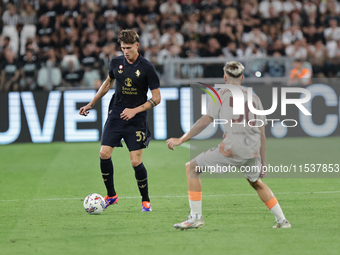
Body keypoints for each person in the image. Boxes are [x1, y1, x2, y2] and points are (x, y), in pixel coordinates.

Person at [167, 61, 291, 230]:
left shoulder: (221, 93)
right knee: (256, 181)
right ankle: (282, 221)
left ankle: (195, 217)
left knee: (192, 168)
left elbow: (206, 121)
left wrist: (181, 139)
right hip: (252, 148)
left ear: (225, 77)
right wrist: (264, 162)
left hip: (233, 148)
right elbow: (262, 133)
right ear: (242, 77)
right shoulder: (254, 97)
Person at [79, 30, 161, 212]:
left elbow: (157, 98)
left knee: (135, 161)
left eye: (129, 48)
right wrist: (91, 103)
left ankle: (145, 200)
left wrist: (135, 111)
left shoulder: (147, 68)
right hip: (116, 114)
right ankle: (111, 195)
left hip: (136, 118)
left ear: (137, 46)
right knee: (104, 153)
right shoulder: (116, 62)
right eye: (123, 48)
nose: (125, 51)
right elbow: (108, 83)